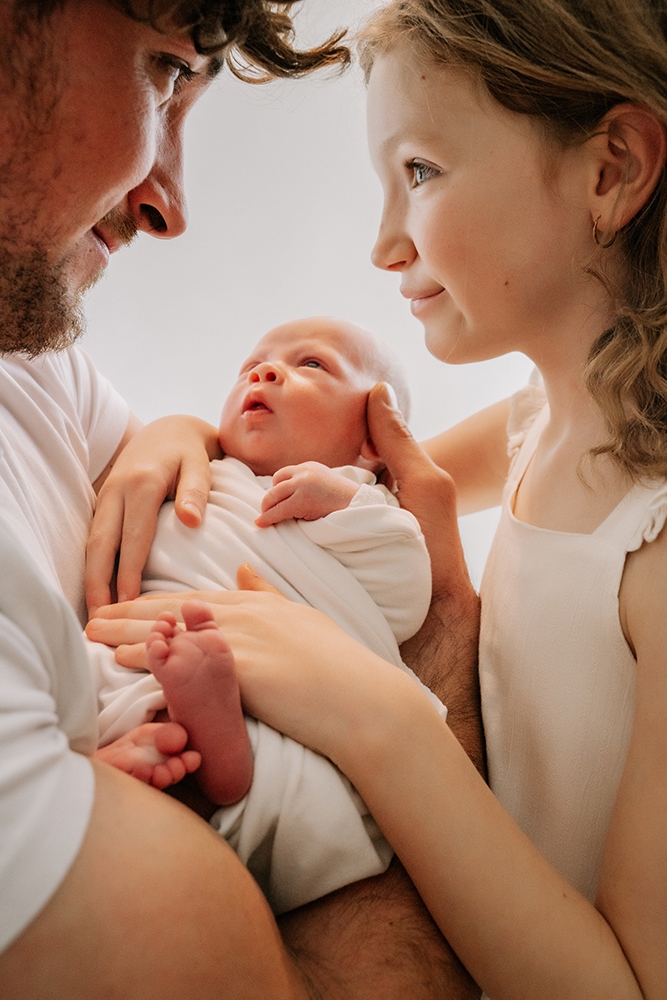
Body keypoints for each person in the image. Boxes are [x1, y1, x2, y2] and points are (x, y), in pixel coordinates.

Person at [91, 0, 667, 994]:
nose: (385, 245)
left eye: (421, 173)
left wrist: (381, 719)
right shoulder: (542, 417)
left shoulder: (649, 544)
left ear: (609, 170)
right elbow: (340, 463)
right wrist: (185, 438)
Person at [0, 2, 483, 998]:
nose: (169, 204)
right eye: (165, 72)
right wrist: (440, 678)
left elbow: (162, 456)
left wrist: (185, 432)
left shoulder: (45, 378)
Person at [90, 315, 441, 914]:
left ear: (372, 444)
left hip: (287, 700)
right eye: (251, 365)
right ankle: (136, 749)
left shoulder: (366, 505)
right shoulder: (203, 471)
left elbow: (404, 599)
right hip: (153, 646)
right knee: (95, 671)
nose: (264, 370)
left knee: (297, 763)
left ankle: (225, 759)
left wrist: (342, 504)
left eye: (312, 365)